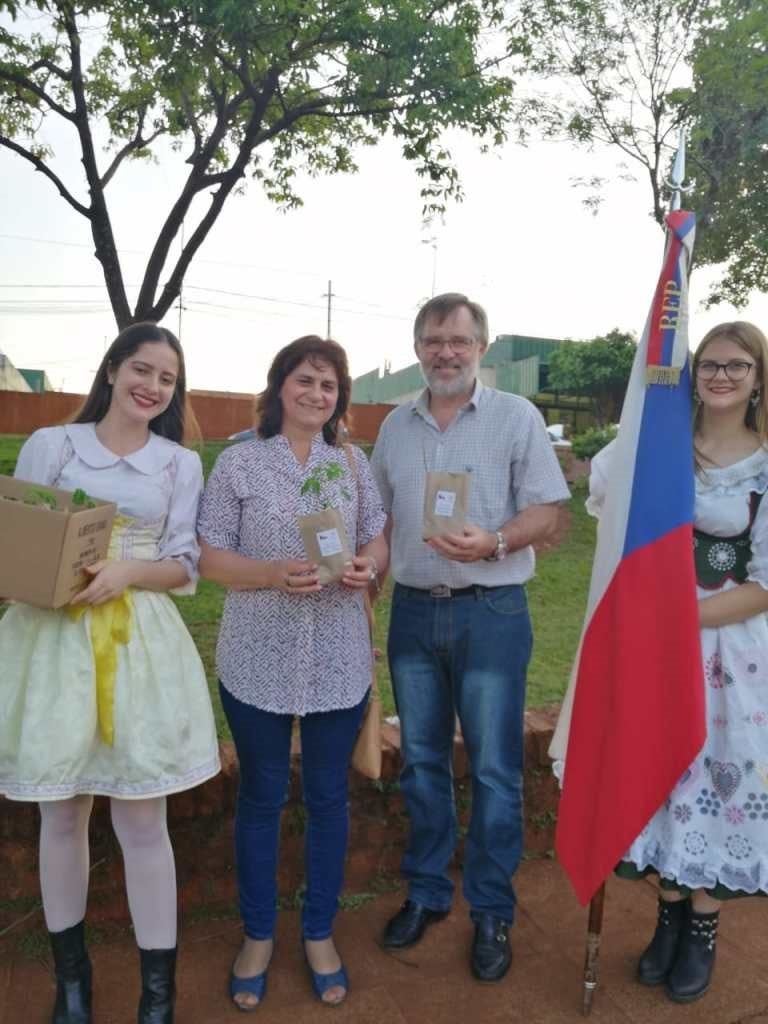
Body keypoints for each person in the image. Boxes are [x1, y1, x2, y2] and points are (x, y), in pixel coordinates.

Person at [0, 322, 220, 1024]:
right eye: (142, 369)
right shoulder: (51, 446)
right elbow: (18, 539)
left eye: (167, 378)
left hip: (138, 645)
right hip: (53, 639)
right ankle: (72, 986)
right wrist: (49, 574)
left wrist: (125, 570)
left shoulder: (179, 464)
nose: (153, 386)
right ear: (113, 368)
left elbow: (185, 564)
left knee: (142, 816)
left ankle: (159, 996)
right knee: (61, 815)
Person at [370, 293, 570, 981]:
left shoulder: (517, 418)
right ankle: (427, 892)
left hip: (493, 612)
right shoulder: (395, 426)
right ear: (418, 346)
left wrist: (496, 541)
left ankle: (491, 909)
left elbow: (549, 513)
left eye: (458, 340)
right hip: (415, 614)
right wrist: (363, 581)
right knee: (421, 761)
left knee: (493, 768)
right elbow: (381, 521)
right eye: (432, 340)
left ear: (481, 347)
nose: (445, 352)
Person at [197, 335, 387, 1011]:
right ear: (280, 386)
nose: (316, 394)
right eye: (305, 380)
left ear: (340, 399)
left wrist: (368, 563)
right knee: (262, 799)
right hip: (256, 659)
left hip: (337, 657)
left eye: (329, 385)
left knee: (330, 800)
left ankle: (317, 932)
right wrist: (273, 574)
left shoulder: (351, 464)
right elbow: (210, 558)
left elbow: (377, 534)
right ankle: (255, 935)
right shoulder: (238, 464)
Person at [589, 322, 768, 1003]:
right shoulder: (661, 449)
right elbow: (606, 499)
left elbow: (765, 584)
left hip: (732, 653)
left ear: (757, 378)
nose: (721, 375)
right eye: (710, 364)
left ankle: (702, 927)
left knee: (717, 774)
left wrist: (676, 619)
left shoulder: (766, 464)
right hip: (652, 645)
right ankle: (666, 916)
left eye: (738, 366)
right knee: (660, 768)